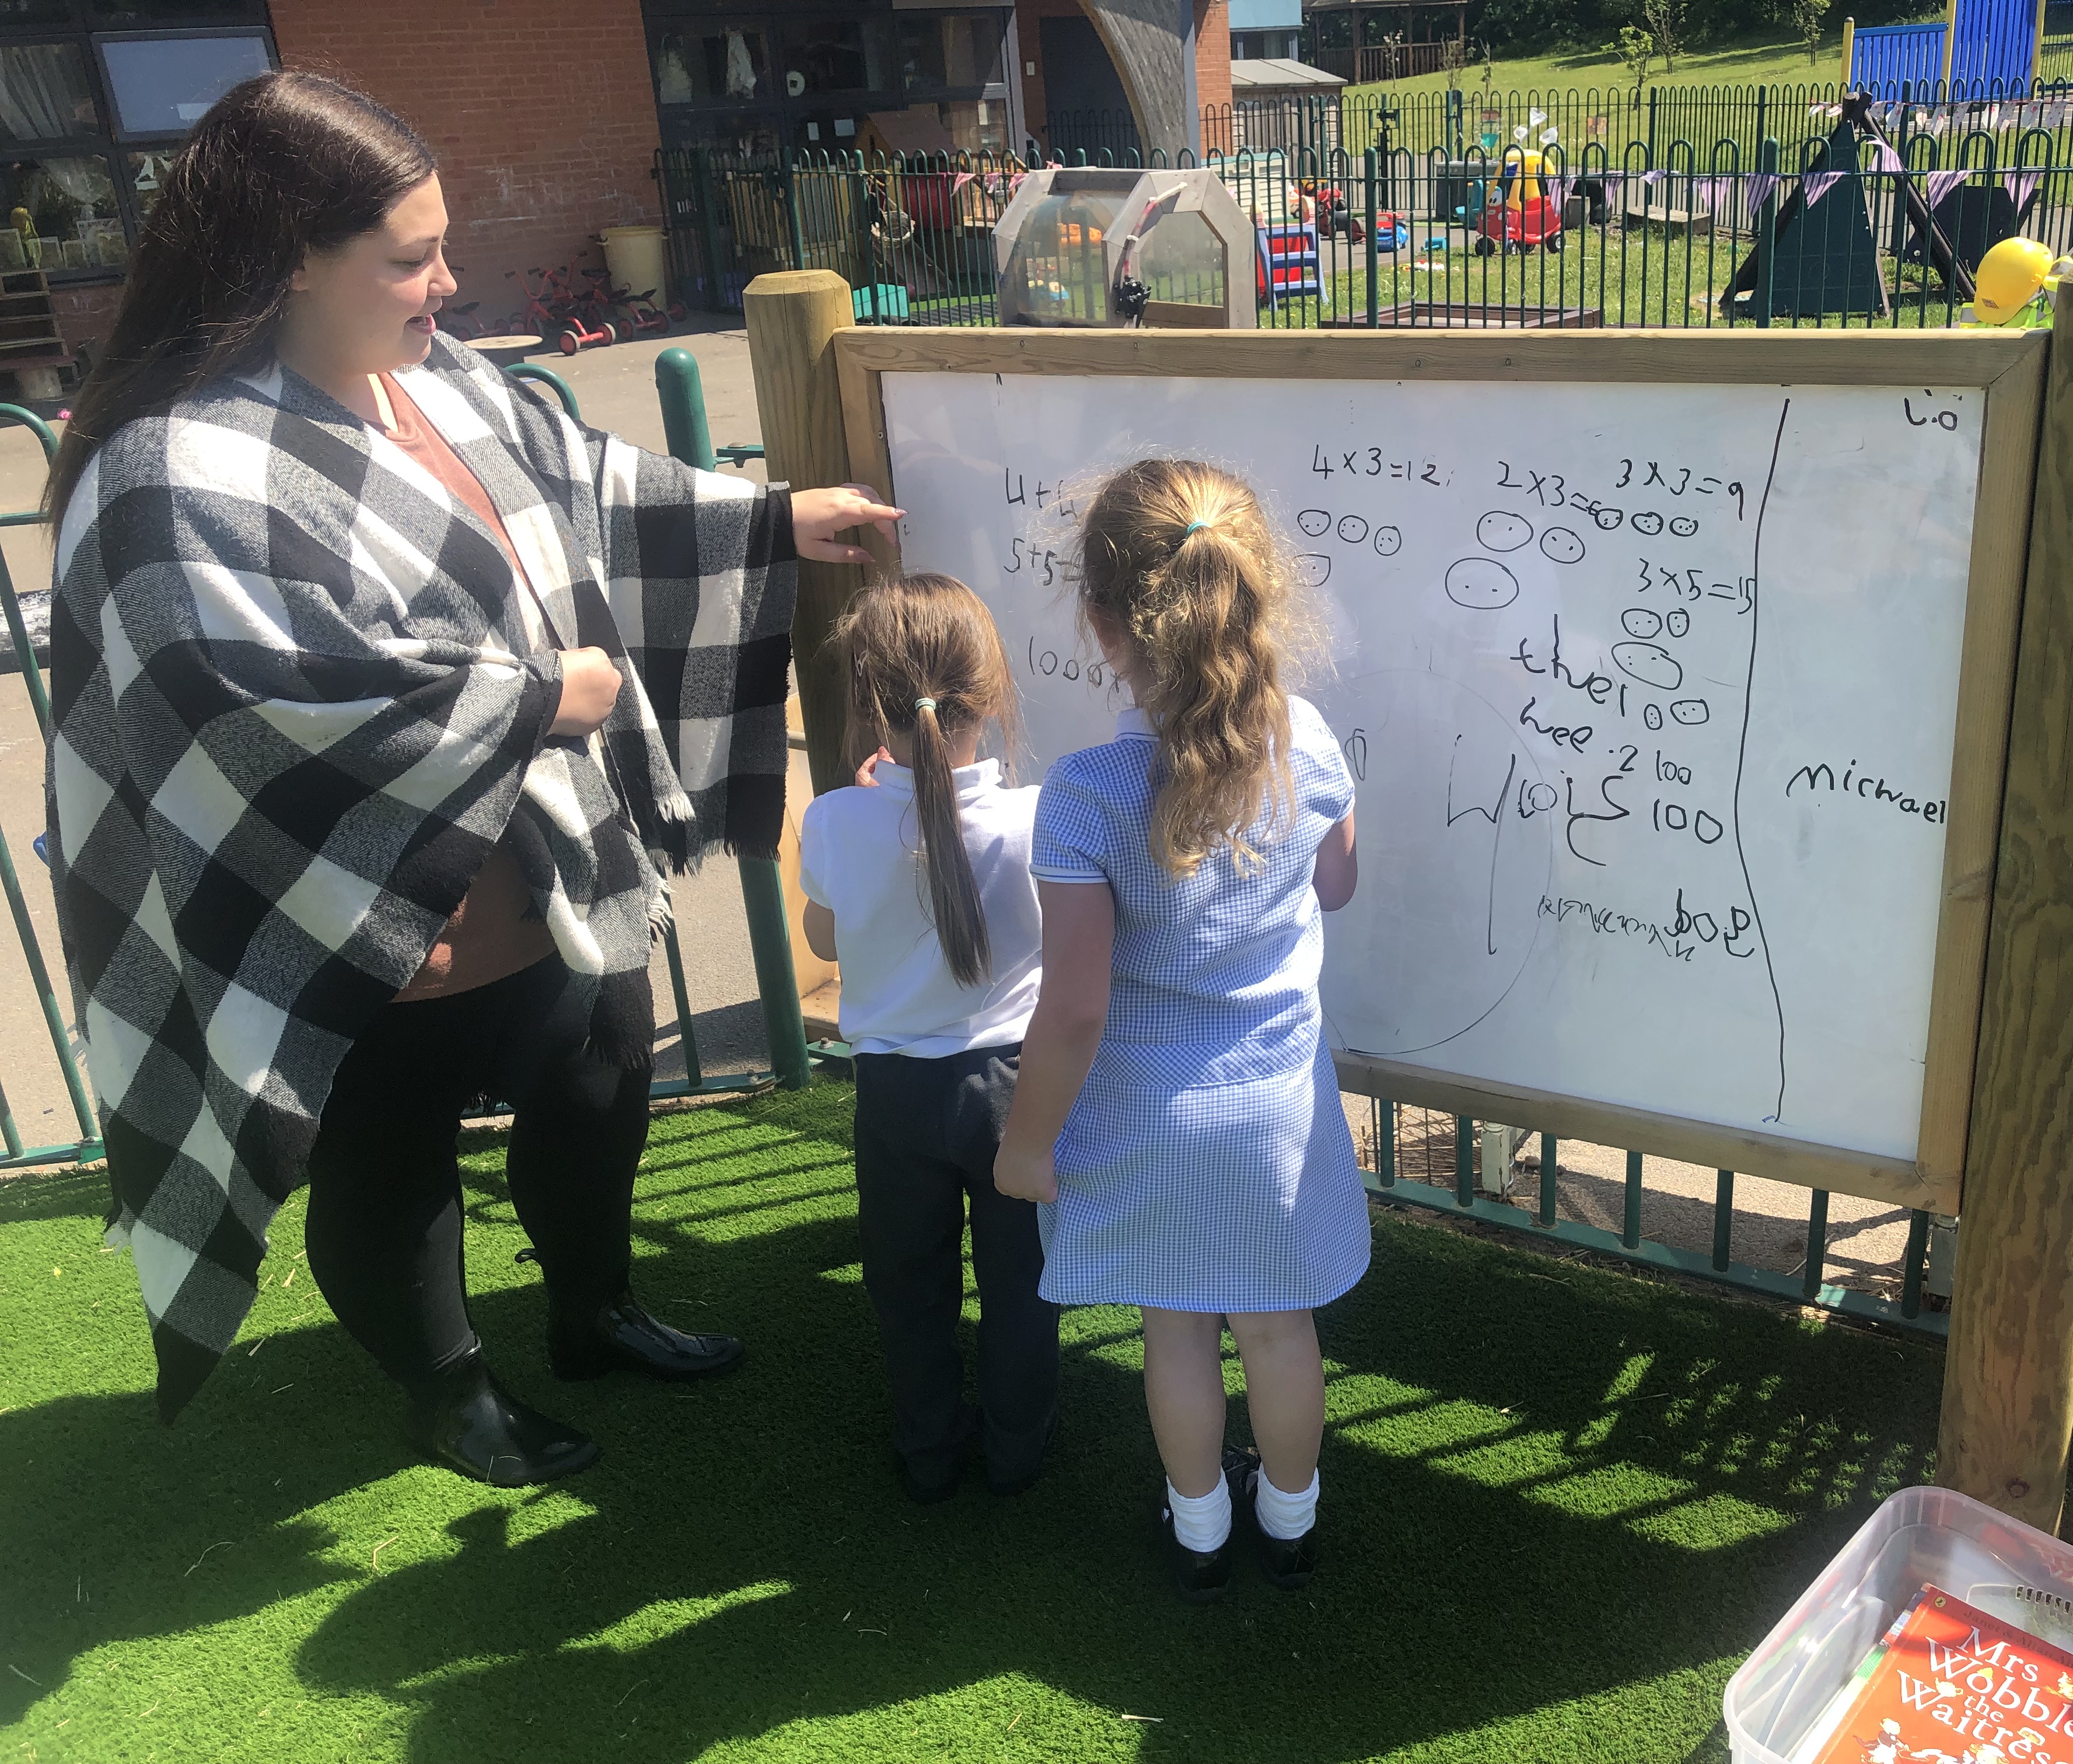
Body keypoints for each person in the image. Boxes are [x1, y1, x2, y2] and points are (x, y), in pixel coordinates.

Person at [41, 71, 900, 1485]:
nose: (449, 280)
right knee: (387, 1148)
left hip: (545, 842)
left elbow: (589, 484)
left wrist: (778, 519)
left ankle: (593, 1310)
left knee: (603, 1069)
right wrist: (536, 698)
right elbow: (257, 698)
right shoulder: (168, 465)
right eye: (410, 257)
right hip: (347, 879)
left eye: (442, 245)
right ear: (291, 261)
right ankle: (447, 1392)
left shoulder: (435, 375)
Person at [992, 459, 1367, 1601]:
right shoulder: (1306, 738)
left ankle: (1200, 1534)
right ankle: (1290, 1524)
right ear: (1255, 597)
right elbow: (1341, 885)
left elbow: (1075, 1006)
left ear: (1100, 623)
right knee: (1278, 1333)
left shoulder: (1087, 793)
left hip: (1149, 1123)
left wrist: (1024, 1144)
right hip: (1276, 1118)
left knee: (1176, 1333)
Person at [799, 573, 1060, 1502]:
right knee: (1022, 1290)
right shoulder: (1040, 821)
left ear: (871, 701)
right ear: (989, 699)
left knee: (908, 1290)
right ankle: (1019, 1450)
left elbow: (826, 942)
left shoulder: (832, 819)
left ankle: (929, 1454)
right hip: (1015, 1095)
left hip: (895, 1100)